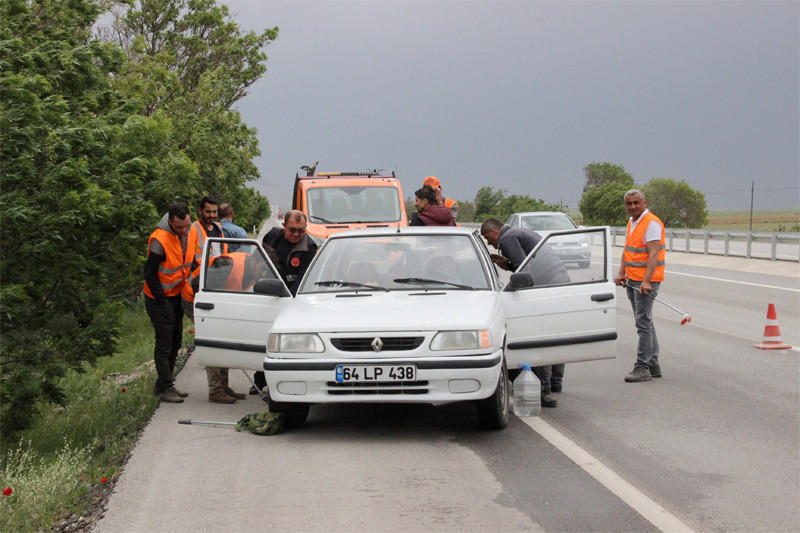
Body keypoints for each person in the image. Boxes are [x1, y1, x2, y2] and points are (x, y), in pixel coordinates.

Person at [480, 217, 571, 407]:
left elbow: (525, 272)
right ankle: (556, 382)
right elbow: (525, 263)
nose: (490, 243)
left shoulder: (507, 238)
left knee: (540, 336)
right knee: (556, 334)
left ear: (494, 231)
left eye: (488, 238)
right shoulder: (518, 232)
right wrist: (507, 264)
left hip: (548, 283)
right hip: (560, 279)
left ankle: (543, 390)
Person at [251, 210, 318, 394]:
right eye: (292, 230)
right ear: (283, 226)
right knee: (263, 339)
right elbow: (258, 261)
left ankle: (286, 381)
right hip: (267, 294)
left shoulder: (309, 248)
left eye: (301, 231)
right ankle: (259, 380)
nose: (296, 234)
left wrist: (289, 303)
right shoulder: (272, 236)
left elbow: (302, 281)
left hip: (290, 300)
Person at [143, 203, 197, 403]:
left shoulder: (191, 232)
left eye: (187, 225)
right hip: (159, 299)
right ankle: (165, 387)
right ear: (170, 221)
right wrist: (162, 301)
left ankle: (164, 383)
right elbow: (149, 274)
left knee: (176, 342)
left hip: (178, 296)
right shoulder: (159, 239)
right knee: (164, 343)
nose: (184, 231)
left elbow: (191, 262)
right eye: (179, 227)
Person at [613, 189, 666, 383]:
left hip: (646, 282)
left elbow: (653, 254)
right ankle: (653, 363)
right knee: (646, 321)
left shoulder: (651, 223)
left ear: (644, 203)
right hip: (632, 280)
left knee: (642, 322)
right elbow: (628, 250)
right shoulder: (632, 222)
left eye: (636, 203)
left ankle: (642, 366)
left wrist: (646, 281)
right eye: (629, 204)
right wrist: (621, 273)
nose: (633, 207)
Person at [192, 195, 226, 261]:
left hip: (220, 269)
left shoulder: (218, 227)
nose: (212, 215)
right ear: (200, 210)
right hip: (200, 270)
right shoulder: (193, 228)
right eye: (208, 212)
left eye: (214, 212)